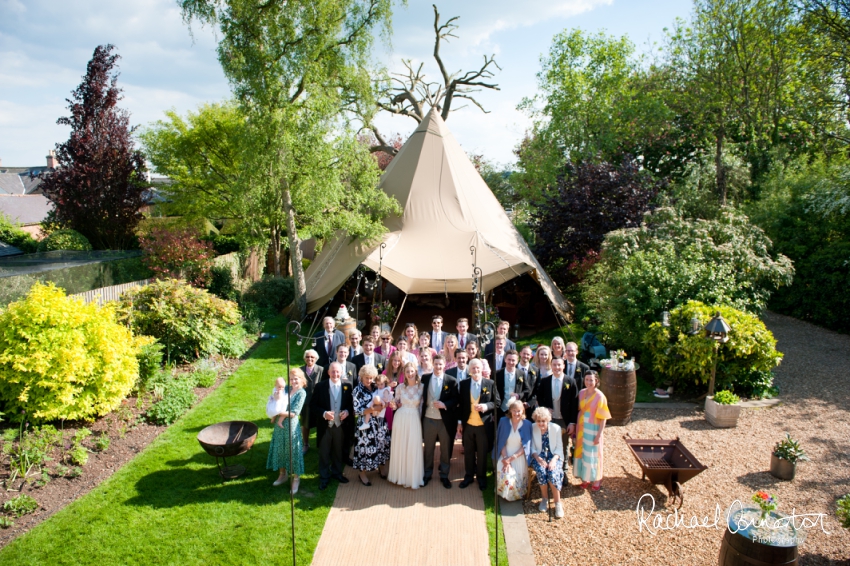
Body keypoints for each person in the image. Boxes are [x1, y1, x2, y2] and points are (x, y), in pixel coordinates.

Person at [458, 359, 500, 491]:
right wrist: (459, 422)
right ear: (469, 370)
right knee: (469, 452)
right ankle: (469, 476)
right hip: (468, 424)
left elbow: (497, 402)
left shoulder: (490, 383)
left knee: (482, 453)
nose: (475, 371)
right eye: (473, 368)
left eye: (477, 368)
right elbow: (461, 405)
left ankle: (481, 478)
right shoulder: (464, 384)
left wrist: (486, 406)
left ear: (481, 369)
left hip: (483, 425)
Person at [532, 357, 578, 474]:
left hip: (564, 419)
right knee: (549, 443)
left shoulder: (570, 382)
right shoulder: (545, 381)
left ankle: (564, 470)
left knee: (564, 444)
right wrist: (545, 409)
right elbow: (540, 397)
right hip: (549, 420)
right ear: (551, 366)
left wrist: (572, 422)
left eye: (559, 365)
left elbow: (574, 404)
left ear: (563, 366)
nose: (557, 367)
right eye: (554, 365)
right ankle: (550, 469)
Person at [311, 362, 353, 490]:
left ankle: (337, 473)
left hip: (340, 426)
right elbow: (312, 405)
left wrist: (347, 411)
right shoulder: (320, 386)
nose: (335, 374)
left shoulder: (347, 386)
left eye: (338, 372)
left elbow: (351, 405)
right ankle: (324, 477)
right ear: (328, 372)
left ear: (341, 373)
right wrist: (324, 413)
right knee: (324, 452)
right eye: (333, 371)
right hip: (325, 426)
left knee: (338, 451)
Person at [420, 355, 459, 489]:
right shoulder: (425, 378)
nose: (438, 367)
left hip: (445, 421)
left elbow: (456, 400)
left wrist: (444, 404)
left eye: (440, 364)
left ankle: (444, 475)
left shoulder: (451, 381)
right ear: (433, 364)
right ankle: (427, 473)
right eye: (436, 364)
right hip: (428, 419)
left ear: (444, 365)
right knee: (428, 448)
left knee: (445, 449)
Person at [266, 369, 306, 492]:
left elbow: (294, 412)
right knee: (280, 448)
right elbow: (277, 399)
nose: (293, 381)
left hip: (291, 425)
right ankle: (282, 474)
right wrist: (274, 413)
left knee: (292, 451)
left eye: (296, 378)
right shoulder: (287, 389)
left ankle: (296, 479)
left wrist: (276, 412)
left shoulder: (301, 393)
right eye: (291, 379)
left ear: (301, 379)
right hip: (280, 426)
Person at [387, 363, 425, 489]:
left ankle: (412, 477)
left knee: (413, 447)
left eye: (412, 371)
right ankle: (399, 476)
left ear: (416, 371)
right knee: (401, 446)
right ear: (404, 373)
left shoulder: (422, 387)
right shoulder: (400, 388)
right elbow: (396, 403)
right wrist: (393, 405)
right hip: (401, 418)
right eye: (407, 371)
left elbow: (421, 407)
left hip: (414, 419)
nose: (410, 374)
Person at [352, 365, 390, 485]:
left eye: (371, 378)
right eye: (366, 378)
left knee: (382, 444)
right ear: (361, 377)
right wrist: (372, 409)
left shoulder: (377, 386)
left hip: (380, 421)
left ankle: (381, 466)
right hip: (366, 424)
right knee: (366, 448)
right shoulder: (357, 390)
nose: (369, 380)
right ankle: (362, 473)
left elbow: (385, 398)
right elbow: (357, 410)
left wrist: (383, 405)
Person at [573, 371, 611, 491]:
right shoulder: (581, 393)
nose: (589, 382)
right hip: (581, 427)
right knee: (582, 452)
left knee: (593, 454)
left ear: (596, 381)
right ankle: (585, 478)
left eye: (591, 380)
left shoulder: (600, 396)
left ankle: (597, 478)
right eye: (587, 379)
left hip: (593, 428)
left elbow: (603, 417)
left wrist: (599, 435)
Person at [493, 400, 533, 501]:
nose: (516, 413)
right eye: (514, 410)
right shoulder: (503, 421)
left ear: (523, 411)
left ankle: (515, 493)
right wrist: (506, 458)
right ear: (510, 410)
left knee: (514, 483)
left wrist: (511, 459)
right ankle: (503, 492)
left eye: (519, 411)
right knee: (506, 475)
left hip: (518, 456)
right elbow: (501, 441)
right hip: (505, 454)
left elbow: (526, 446)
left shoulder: (527, 424)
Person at [530, 407, 565, 518]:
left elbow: (559, 449)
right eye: (538, 421)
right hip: (538, 456)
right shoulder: (532, 428)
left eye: (543, 421)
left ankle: (557, 503)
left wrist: (554, 461)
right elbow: (532, 448)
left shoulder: (556, 428)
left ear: (548, 420)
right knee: (541, 471)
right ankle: (544, 499)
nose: (541, 423)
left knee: (552, 473)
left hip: (554, 456)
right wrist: (538, 458)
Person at [495, 350, 531, 422]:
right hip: (501, 409)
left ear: (517, 361)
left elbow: (527, 390)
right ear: (505, 359)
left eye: (513, 360)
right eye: (509, 359)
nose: (511, 362)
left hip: (516, 410)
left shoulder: (521, 373)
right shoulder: (497, 374)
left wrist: (518, 395)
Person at [300, 349, 324, 453]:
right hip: (305, 403)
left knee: (320, 424)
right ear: (305, 358)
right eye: (308, 357)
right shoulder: (300, 370)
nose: (310, 359)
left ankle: (321, 445)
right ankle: (305, 444)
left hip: (319, 402)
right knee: (306, 424)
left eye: (312, 357)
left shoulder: (321, 370)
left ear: (316, 359)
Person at [518, 346, 538, 419]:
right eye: (524, 353)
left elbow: (537, 389)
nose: (525, 356)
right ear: (520, 354)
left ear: (531, 356)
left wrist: (530, 403)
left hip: (529, 407)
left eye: (528, 354)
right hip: (515, 407)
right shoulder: (513, 368)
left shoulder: (536, 371)